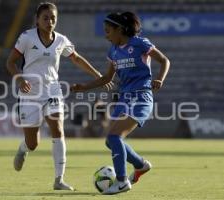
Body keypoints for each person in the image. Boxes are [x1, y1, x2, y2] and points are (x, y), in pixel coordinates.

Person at [6, 2, 110, 191]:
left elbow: (76, 58)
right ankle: (23, 149)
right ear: (37, 20)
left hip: (53, 91)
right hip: (30, 93)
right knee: (33, 143)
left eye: (53, 18)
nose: (50, 21)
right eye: (45, 17)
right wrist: (20, 79)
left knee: (58, 129)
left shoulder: (61, 40)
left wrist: (98, 75)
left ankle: (59, 180)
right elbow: (10, 63)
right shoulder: (27, 38)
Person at [71, 12, 170, 195]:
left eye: (108, 31)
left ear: (120, 29)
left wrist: (159, 79)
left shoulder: (140, 44)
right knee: (111, 141)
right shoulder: (113, 51)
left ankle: (122, 181)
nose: (106, 35)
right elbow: (107, 78)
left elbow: (164, 60)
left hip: (141, 97)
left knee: (115, 137)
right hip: (124, 99)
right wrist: (84, 87)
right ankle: (140, 165)